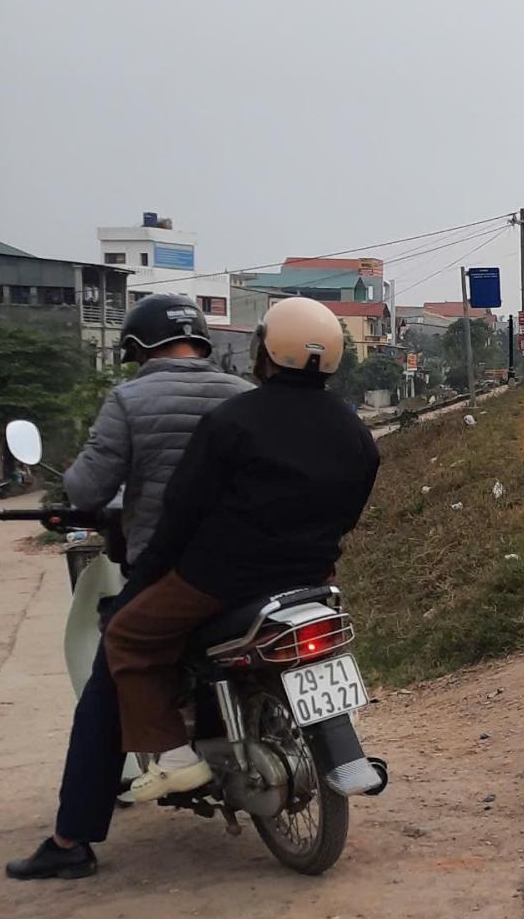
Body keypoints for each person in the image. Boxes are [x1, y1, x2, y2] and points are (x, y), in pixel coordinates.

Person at [101, 296, 380, 809]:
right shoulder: (356, 432)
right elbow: (347, 514)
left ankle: (174, 758)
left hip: (220, 579)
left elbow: (181, 511)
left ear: (265, 352)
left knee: (128, 635)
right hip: (311, 576)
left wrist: (143, 581)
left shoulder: (232, 421)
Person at [6, 295, 249, 882]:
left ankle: (71, 839)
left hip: (167, 570)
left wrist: (72, 482)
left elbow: (88, 489)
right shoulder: (244, 395)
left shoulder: (129, 399)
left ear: (137, 347)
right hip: (250, 566)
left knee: (109, 679)